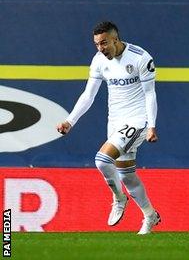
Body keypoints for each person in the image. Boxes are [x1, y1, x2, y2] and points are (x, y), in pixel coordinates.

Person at [56, 21, 161, 235]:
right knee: (127, 175)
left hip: (137, 121)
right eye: (96, 44)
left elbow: (150, 93)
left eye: (104, 43)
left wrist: (151, 125)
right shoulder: (98, 61)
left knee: (102, 160)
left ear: (115, 39)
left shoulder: (141, 57)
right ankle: (150, 215)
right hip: (115, 122)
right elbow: (89, 94)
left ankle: (118, 198)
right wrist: (70, 121)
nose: (100, 48)